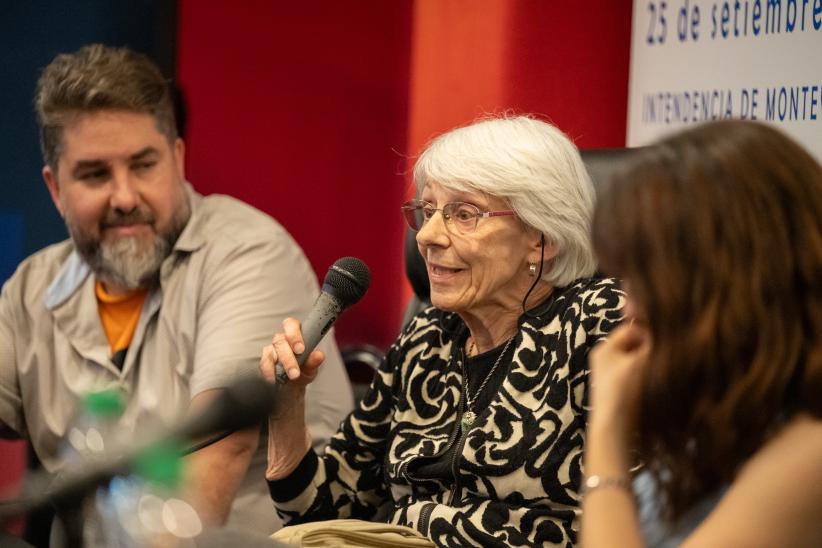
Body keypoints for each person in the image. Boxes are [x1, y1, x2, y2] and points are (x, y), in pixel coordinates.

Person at [0, 44, 354, 536]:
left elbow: (210, 467)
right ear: (55, 188)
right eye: (95, 174)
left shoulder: (250, 254)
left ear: (178, 158)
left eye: (143, 165)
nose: (124, 197)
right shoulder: (30, 287)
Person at [260, 115, 624, 546]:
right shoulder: (426, 339)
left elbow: (649, 509)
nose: (427, 236)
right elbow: (320, 511)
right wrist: (286, 402)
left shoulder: (600, 323)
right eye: (428, 210)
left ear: (540, 236)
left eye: (464, 214)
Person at [582, 120, 822, 547]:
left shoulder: (811, 448)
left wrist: (607, 431)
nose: (626, 306)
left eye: (640, 281)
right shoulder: (734, 407)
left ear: (721, 282)